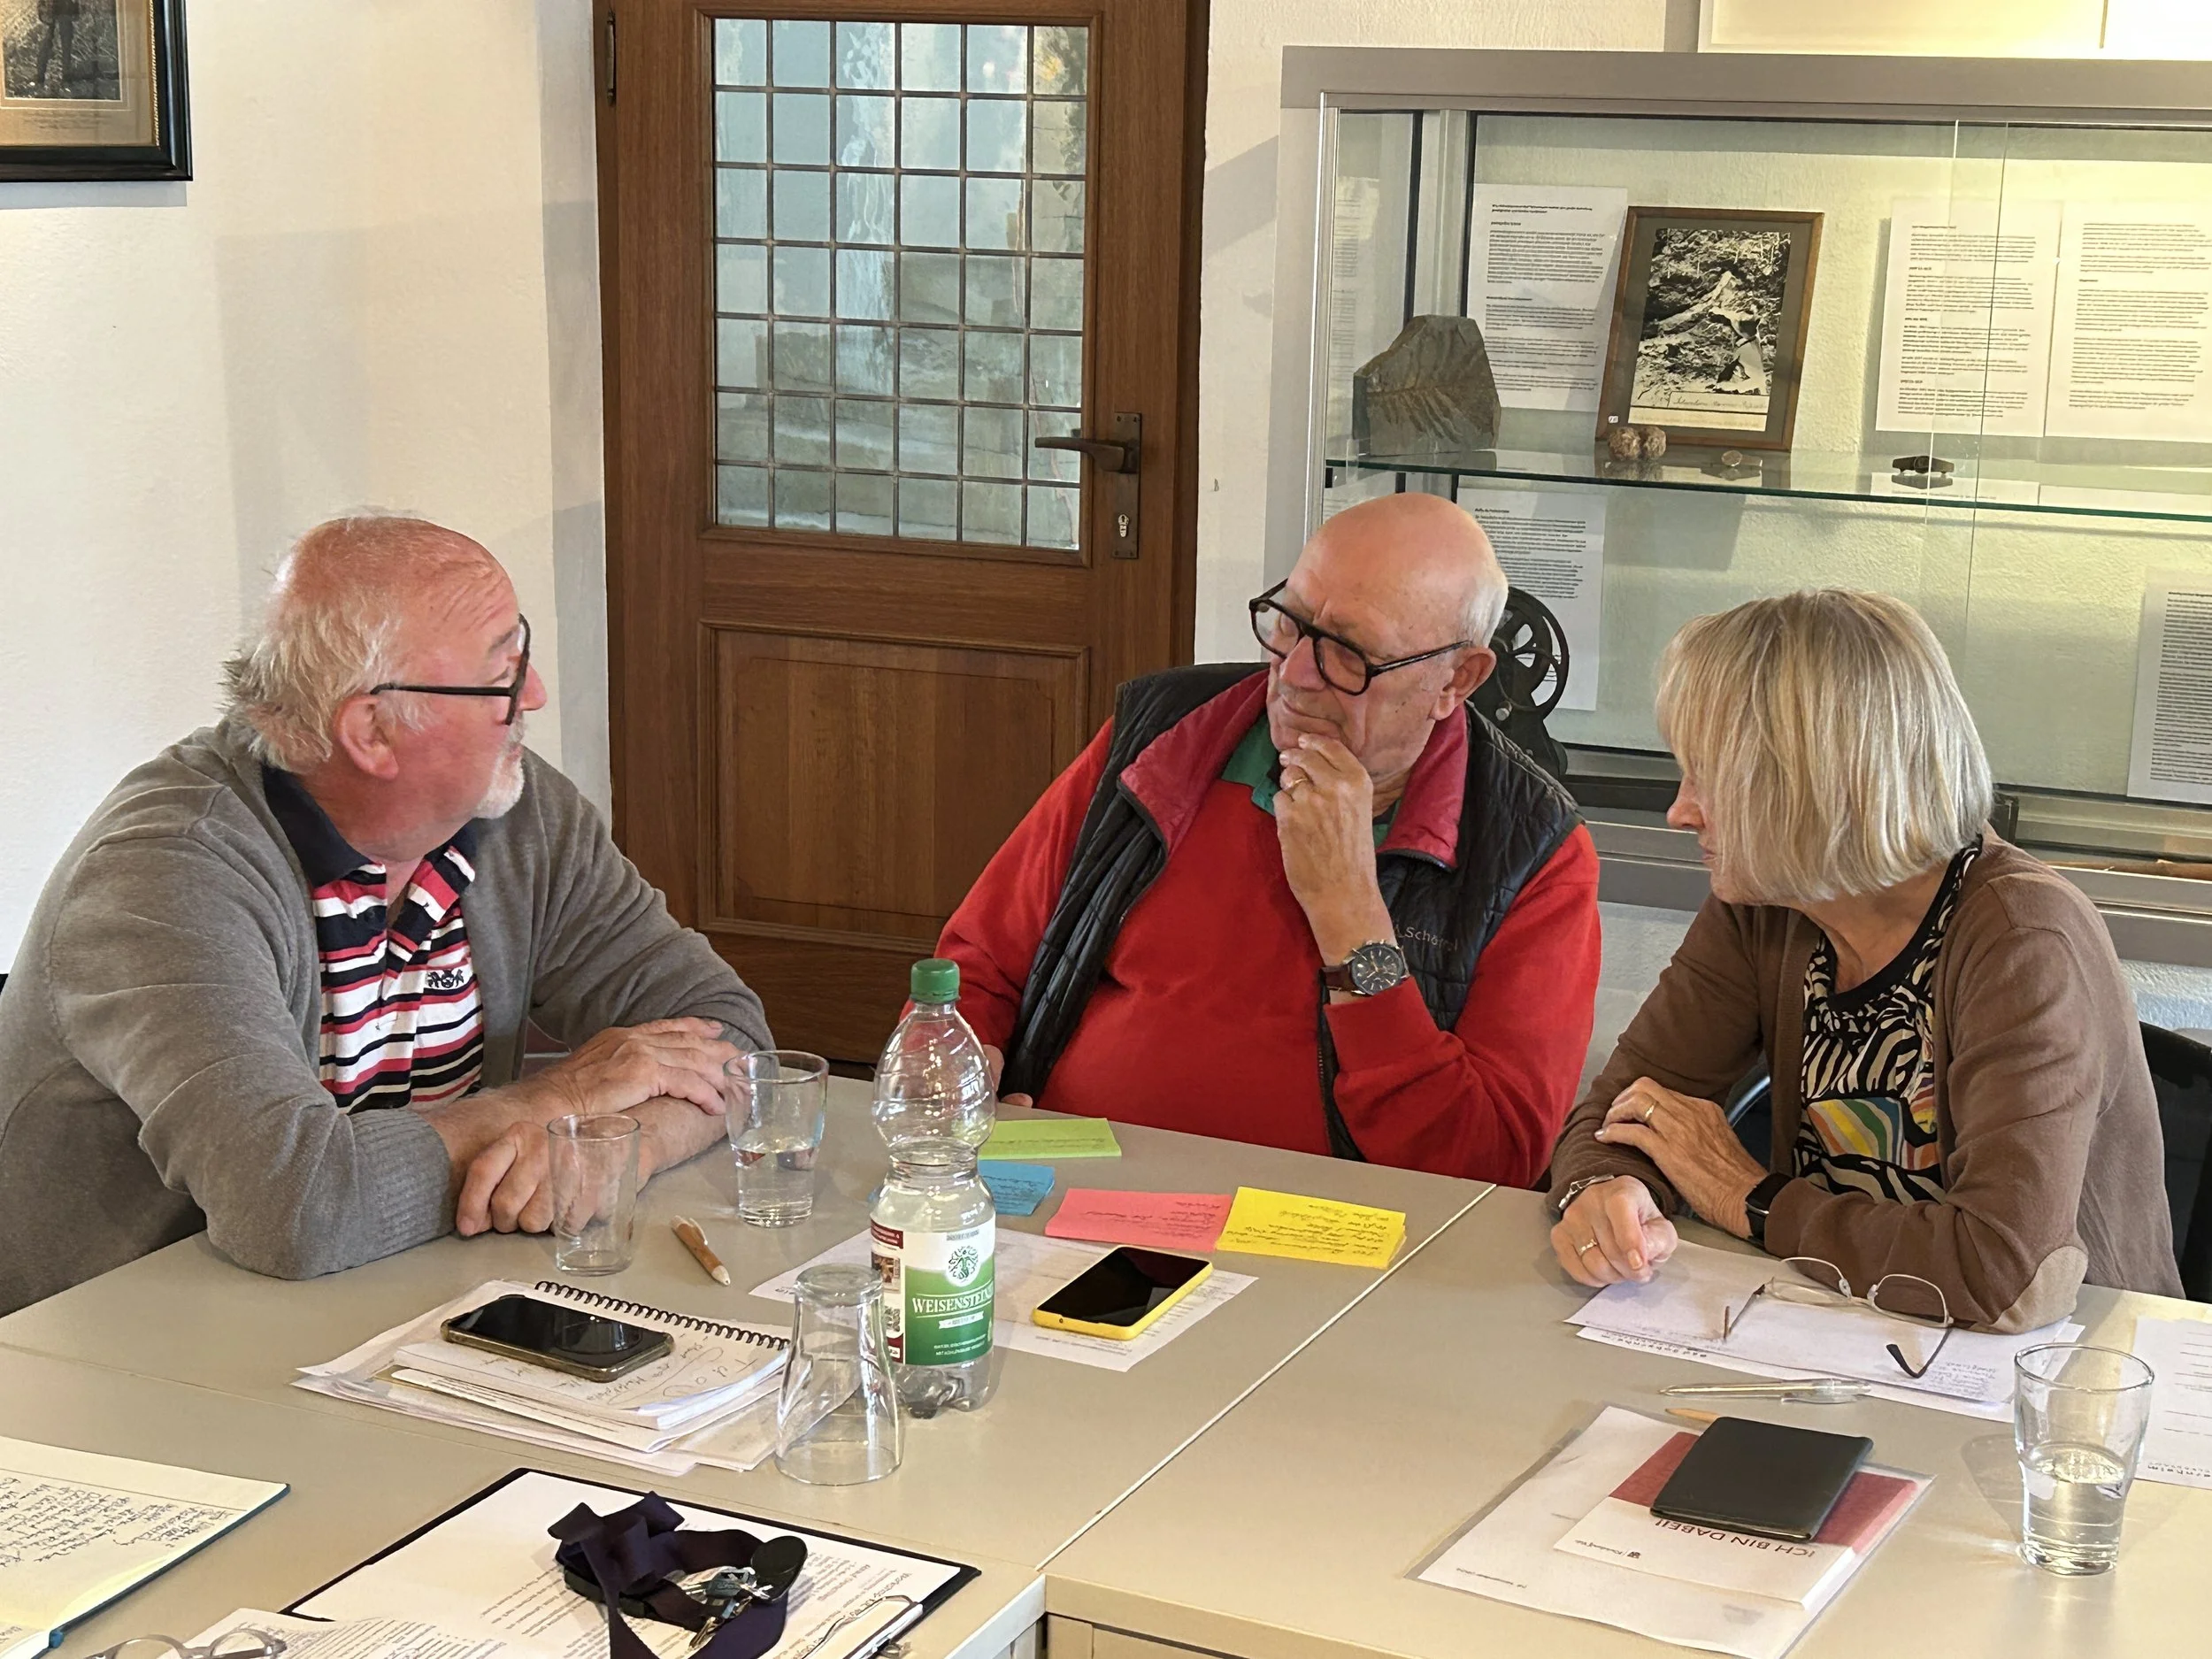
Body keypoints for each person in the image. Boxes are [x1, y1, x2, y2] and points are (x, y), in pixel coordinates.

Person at [0, 514, 771, 1315]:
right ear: (370, 730)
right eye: (501, 672)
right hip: (113, 1352)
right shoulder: (164, 877)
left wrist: (616, 1150)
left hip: (383, 1305)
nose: (534, 694)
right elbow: (294, 1206)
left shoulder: (513, 810)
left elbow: (729, 1037)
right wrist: (560, 1102)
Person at [1548, 590, 2180, 1333]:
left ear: (1809, 782)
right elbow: (1626, 1106)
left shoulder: (2022, 940)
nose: (1680, 811)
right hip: (1852, 1333)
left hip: (2068, 1388)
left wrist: (1749, 1196)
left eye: (1709, 778)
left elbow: (2007, 1276)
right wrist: (1603, 1189)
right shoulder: (1766, 904)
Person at [936, 493, 1601, 1186]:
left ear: (1456, 680)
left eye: (1349, 653)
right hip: (1068, 1193)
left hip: (1333, 1249)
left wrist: (1352, 918)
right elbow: (978, 964)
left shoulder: (1530, 849)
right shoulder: (1161, 739)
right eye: (1290, 621)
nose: (1293, 675)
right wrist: (965, 1061)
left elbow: (1492, 1159)